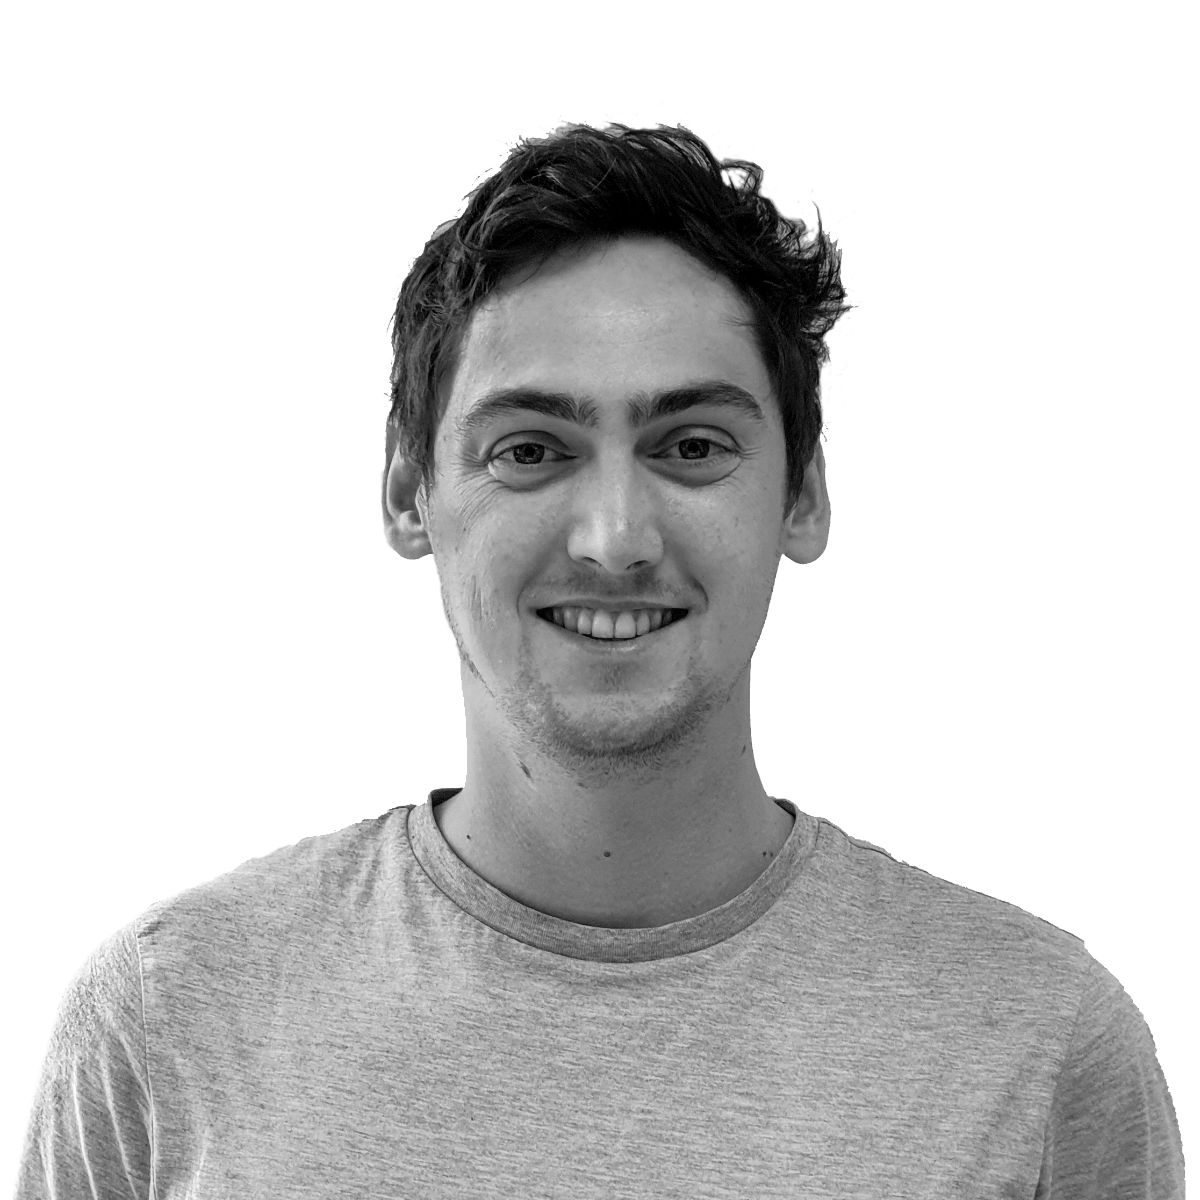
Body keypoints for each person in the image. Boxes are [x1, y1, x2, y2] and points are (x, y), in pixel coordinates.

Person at [15, 123, 1184, 1198]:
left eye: (693, 445)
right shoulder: (171, 1020)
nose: (615, 538)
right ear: (409, 492)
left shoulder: (1039, 1048)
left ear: (804, 495)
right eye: (530, 450)